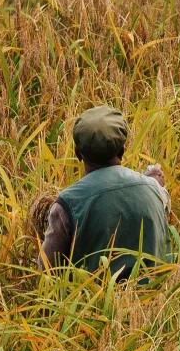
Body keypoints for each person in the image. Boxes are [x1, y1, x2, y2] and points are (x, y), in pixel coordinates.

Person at [41, 105, 171, 279]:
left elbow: (48, 269)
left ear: (78, 153)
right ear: (122, 150)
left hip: (93, 303)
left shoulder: (66, 204)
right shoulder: (154, 188)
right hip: (154, 301)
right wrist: (151, 182)